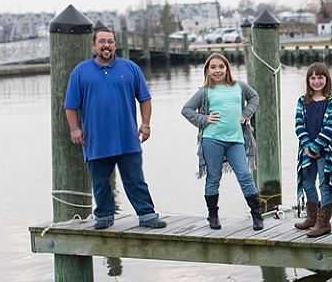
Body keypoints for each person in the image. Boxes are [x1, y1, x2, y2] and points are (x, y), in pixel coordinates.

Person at [64, 27, 167, 230]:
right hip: (96, 139)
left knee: (135, 180)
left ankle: (147, 214)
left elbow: (145, 99)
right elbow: (71, 105)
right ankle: (104, 216)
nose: (106, 45)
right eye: (102, 41)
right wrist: (74, 129)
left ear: (115, 45)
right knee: (101, 182)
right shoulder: (81, 71)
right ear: (93, 45)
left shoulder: (130, 68)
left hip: (127, 138)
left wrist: (146, 125)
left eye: (110, 41)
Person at [180, 53, 264, 231]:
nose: (217, 70)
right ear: (207, 71)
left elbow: (255, 97)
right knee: (213, 177)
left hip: (236, 140)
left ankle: (256, 215)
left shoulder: (239, 86)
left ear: (227, 68)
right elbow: (186, 109)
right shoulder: (204, 91)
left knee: (245, 175)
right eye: (213, 67)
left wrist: (246, 114)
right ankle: (213, 216)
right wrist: (204, 119)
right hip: (212, 140)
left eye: (221, 66)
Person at [293, 63, 332, 237]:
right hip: (306, 150)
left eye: (320, 77)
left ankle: (324, 223)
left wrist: (317, 146)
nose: (317, 81)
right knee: (307, 181)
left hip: (325, 150)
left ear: (326, 79)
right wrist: (308, 146)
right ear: (308, 80)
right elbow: (298, 125)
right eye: (313, 78)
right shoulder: (302, 101)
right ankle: (312, 217)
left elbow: (331, 126)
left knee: (324, 184)